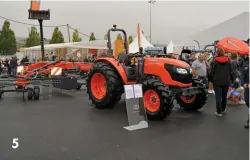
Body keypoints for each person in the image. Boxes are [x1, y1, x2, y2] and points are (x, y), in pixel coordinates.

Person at [209, 48, 235, 117]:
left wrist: (211, 80)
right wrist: (232, 81)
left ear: (217, 53)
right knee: (224, 96)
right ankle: (223, 109)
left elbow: (211, 72)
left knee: (218, 97)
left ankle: (219, 111)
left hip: (217, 81)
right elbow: (232, 72)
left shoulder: (214, 61)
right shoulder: (228, 60)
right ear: (223, 52)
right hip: (226, 81)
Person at [242, 55, 249, 128]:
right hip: (248, 86)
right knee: (247, 101)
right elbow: (242, 75)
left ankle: (249, 120)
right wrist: (243, 83)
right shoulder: (246, 64)